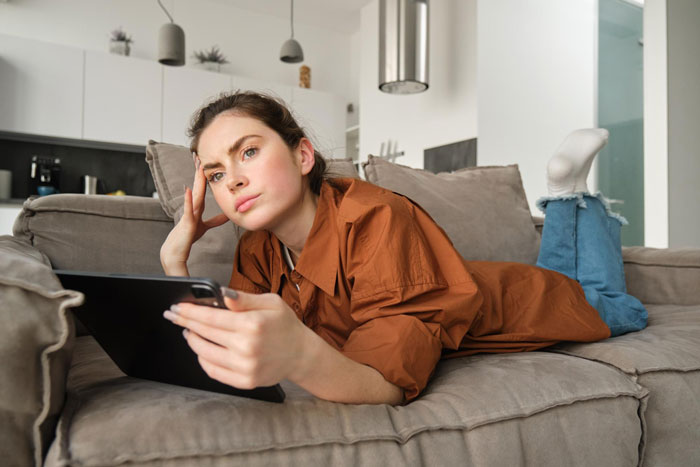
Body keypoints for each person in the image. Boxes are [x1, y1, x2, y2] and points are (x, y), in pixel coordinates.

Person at [160, 91, 648, 406]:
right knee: (566, 273)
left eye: (248, 151)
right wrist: (174, 263)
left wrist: (299, 358)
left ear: (302, 155)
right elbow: (226, 342)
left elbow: (385, 383)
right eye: (216, 173)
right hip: (470, 279)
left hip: (526, 302)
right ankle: (566, 191)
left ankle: (566, 192)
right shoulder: (256, 249)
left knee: (616, 304)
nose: (235, 178)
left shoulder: (377, 217)